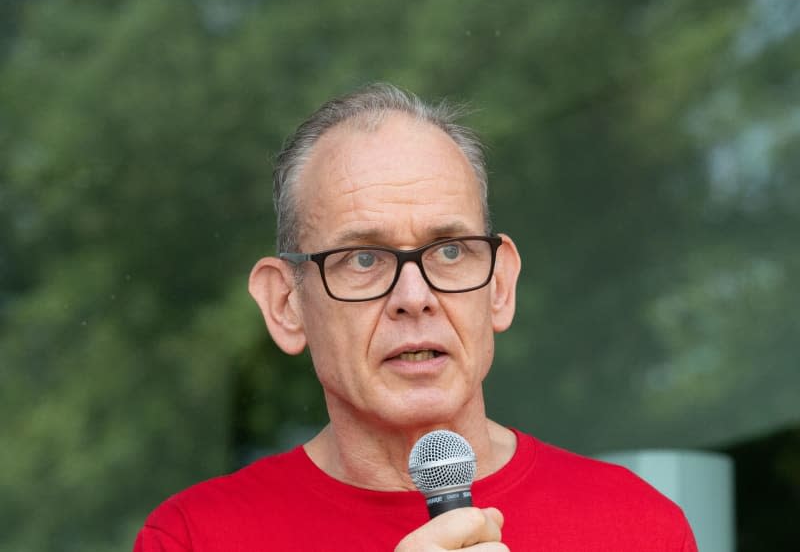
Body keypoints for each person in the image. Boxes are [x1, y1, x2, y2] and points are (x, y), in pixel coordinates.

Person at [134, 83, 698, 551]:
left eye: (450, 251)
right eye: (363, 258)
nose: (415, 295)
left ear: (499, 286)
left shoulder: (637, 528)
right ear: (286, 305)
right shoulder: (194, 538)